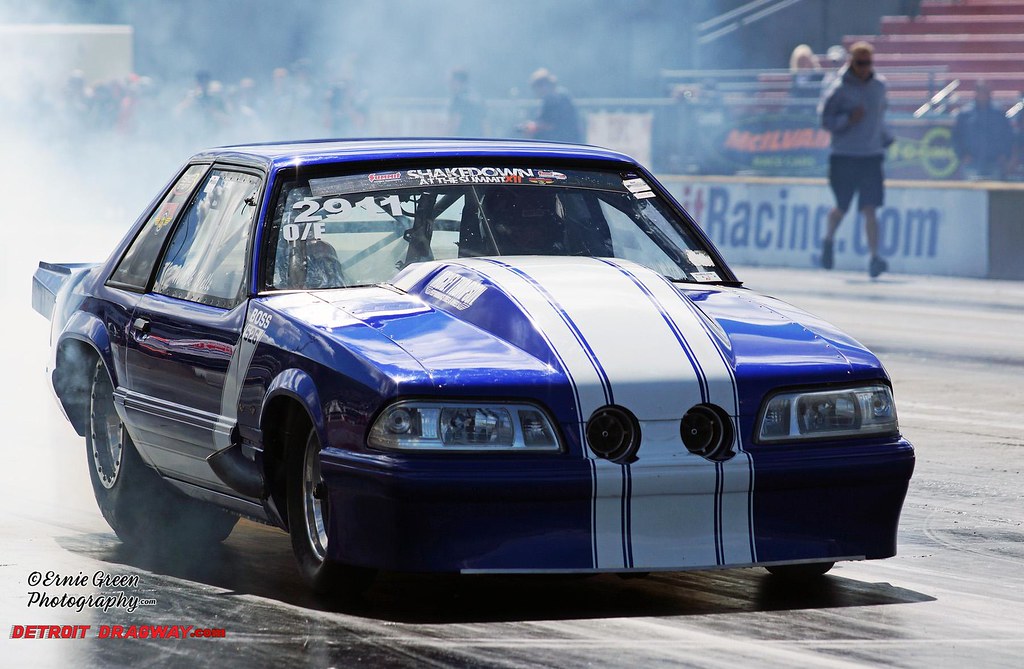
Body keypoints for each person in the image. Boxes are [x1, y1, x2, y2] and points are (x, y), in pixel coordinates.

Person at [818, 41, 894, 278]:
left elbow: (879, 116)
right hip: (845, 156)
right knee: (842, 206)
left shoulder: (879, 86)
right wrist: (848, 119)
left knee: (870, 208)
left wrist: (885, 137)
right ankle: (828, 240)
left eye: (868, 63)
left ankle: (874, 257)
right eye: (860, 63)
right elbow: (825, 120)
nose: (864, 68)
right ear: (852, 62)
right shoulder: (838, 88)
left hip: (871, 155)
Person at [952, 80, 1013, 180]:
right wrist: (962, 155)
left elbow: (1008, 135)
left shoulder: (999, 113)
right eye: (980, 91)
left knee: (994, 189)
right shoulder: (965, 114)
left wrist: (1005, 154)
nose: (983, 94)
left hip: (994, 161)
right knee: (971, 189)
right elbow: (956, 137)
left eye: (985, 91)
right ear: (975, 93)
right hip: (971, 162)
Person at [519, 68, 582, 143]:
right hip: (561, 140)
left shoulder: (558, 98)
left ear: (545, 86)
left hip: (564, 141)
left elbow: (553, 123)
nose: (536, 92)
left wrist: (534, 126)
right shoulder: (555, 97)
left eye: (537, 88)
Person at [447, 68, 484, 137]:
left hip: (462, 139)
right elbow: (485, 123)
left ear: (457, 81)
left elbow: (455, 124)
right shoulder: (478, 98)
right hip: (478, 139)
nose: (449, 84)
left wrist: (446, 138)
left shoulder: (459, 99)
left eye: (451, 81)